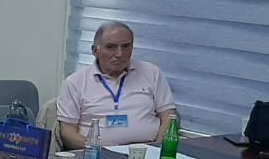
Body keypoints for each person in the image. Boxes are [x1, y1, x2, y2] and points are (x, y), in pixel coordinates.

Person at [57, 20, 178, 149]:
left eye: (125, 46)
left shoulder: (151, 73)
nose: (119, 54)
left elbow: (169, 116)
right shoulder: (75, 82)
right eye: (111, 47)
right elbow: (67, 133)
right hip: (97, 152)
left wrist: (159, 148)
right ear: (95, 50)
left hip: (147, 150)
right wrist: (100, 149)